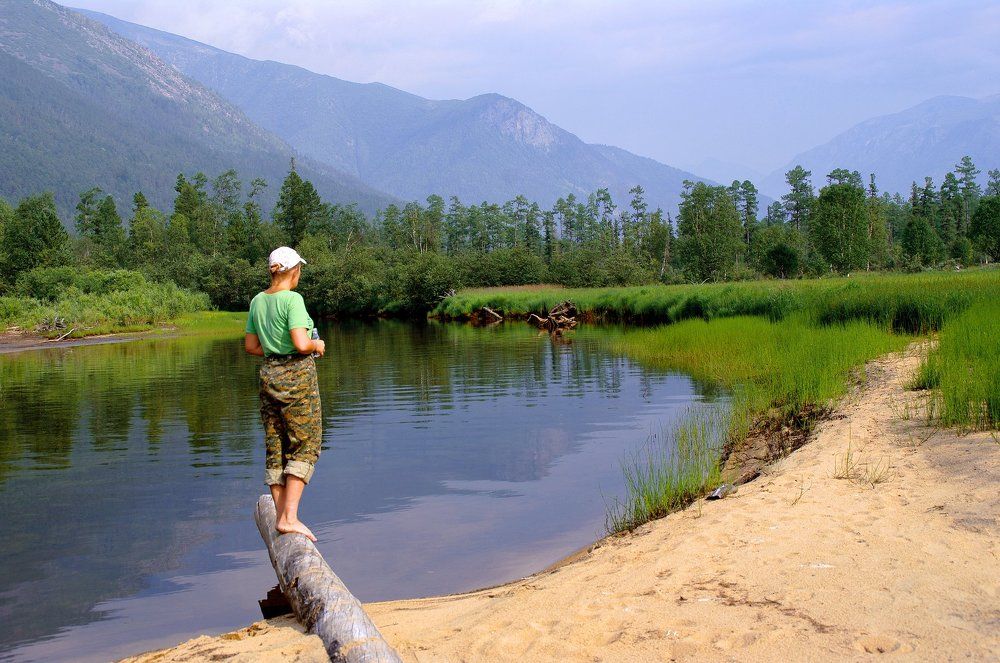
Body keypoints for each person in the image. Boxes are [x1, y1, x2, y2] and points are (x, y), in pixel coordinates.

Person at [244, 246, 325, 542]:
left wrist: (272, 347)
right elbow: (301, 343)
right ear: (294, 272)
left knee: (276, 441)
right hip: (296, 376)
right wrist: (317, 345)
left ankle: (281, 515)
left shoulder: (257, 301)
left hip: (268, 376)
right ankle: (289, 518)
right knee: (306, 442)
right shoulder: (293, 299)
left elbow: (251, 347)